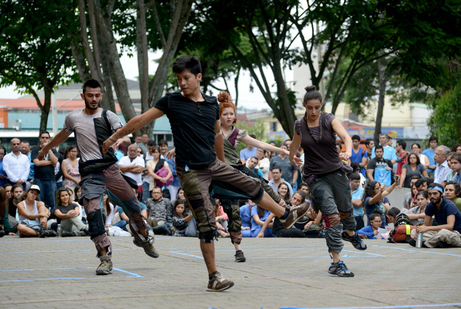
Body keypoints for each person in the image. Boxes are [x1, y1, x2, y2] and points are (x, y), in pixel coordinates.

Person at [102, 55, 308, 291]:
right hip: (191, 172)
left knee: (252, 184)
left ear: (199, 77)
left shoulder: (211, 104)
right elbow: (139, 120)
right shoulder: (171, 101)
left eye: (186, 78)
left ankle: (285, 215)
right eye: (179, 79)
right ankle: (213, 277)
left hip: (214, 165)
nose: (182, 83)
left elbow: (217, 136)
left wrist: (224, 167)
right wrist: (113, 137)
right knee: (207, 224)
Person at [37, 79, 158, 276]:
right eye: (90, 95)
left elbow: (125, 135)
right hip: (90, 174)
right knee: (93, 214)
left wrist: (117, 139)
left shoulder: (108, 116)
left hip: (111, 170)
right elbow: (61, 136)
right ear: (83, 96)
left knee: (135, 207)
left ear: (101, 96)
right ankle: (104, 258)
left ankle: (143, 238)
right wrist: (46, 148)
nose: (94, 99)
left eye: (97, 96)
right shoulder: (73, 118)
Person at [289, 85, 367, 278]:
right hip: (316, 178)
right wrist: (291, 156)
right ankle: (336, 263)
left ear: (321, 105)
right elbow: (295, 144)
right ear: (304, 106)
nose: (313, 112)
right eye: (310, 108)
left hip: (337, 173)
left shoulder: (328, 119)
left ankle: (350, 234)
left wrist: (348, 150)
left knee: (346, 211)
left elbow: (346, 137)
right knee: (331, 216)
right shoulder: (300, 125)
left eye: (317, 107)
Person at [409, 183, 461, 248]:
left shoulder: (449, 205)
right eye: (430, 194)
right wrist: (419, 230)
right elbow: (426, 225)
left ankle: (426, 244)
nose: (432, 196)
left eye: (435, 194)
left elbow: (450, 226)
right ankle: (438, 243)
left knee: (443, 233)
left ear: (441, 194)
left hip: (456, 234)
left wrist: (427, 228)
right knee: (413, 231)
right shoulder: (430, 206)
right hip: (438, 232)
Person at [31, 131, 59, 209]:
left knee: (52, 202)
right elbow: (37, 163)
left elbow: (55, 162)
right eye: (43, 137)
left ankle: (51, 219)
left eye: (47, 138)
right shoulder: (35, 150)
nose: (45, 139)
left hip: (51, 180)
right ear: (40, 139)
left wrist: (48, 148)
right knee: (39, 201)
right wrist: (51, 162)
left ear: (49, 139)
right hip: (39, 179)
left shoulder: (53, 151)